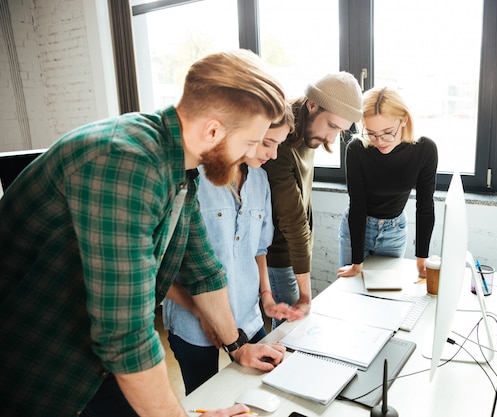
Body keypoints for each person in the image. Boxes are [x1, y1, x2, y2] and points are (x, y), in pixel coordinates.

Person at [0, 49, 288, 417]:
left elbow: (203, 270)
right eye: (250, 142)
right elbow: (126, 336)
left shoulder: (179, 168)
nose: (253, 154)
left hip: (98, 357)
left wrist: (237, 347)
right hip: (38, 364)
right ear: (213, 130)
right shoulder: (124, 162)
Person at [163, 106, 304, 395]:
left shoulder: (261, 180)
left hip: (248, 316)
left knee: (265, 389)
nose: (273, 155)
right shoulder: (192, 179)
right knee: (208, 399)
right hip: (194, 324)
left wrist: (266, 296)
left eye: (278, 145)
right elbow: (158, 269)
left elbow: (258, 248)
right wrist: (201, 312)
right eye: (267, 143)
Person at [262, 72, 363, 326]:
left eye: (338, 130)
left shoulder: (309, 132)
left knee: (291, 329)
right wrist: (306, 294)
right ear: (312, 105)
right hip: (278, 252)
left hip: (293, 252)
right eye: (331, 126)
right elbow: (293, 219)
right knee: (292, 329)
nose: (331, 139)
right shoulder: (282, 144)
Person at [337, 86, 438, 279]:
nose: (380, 141)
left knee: (385, 292)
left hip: (394, 231)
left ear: (404, 120)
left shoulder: (425, 150)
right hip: (357, 229)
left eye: (387, 132)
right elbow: (357, 206)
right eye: (371, 133)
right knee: (353, 291)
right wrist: (356, 264)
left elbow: (425, 207)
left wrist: (421, 262)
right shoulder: (357, 149)